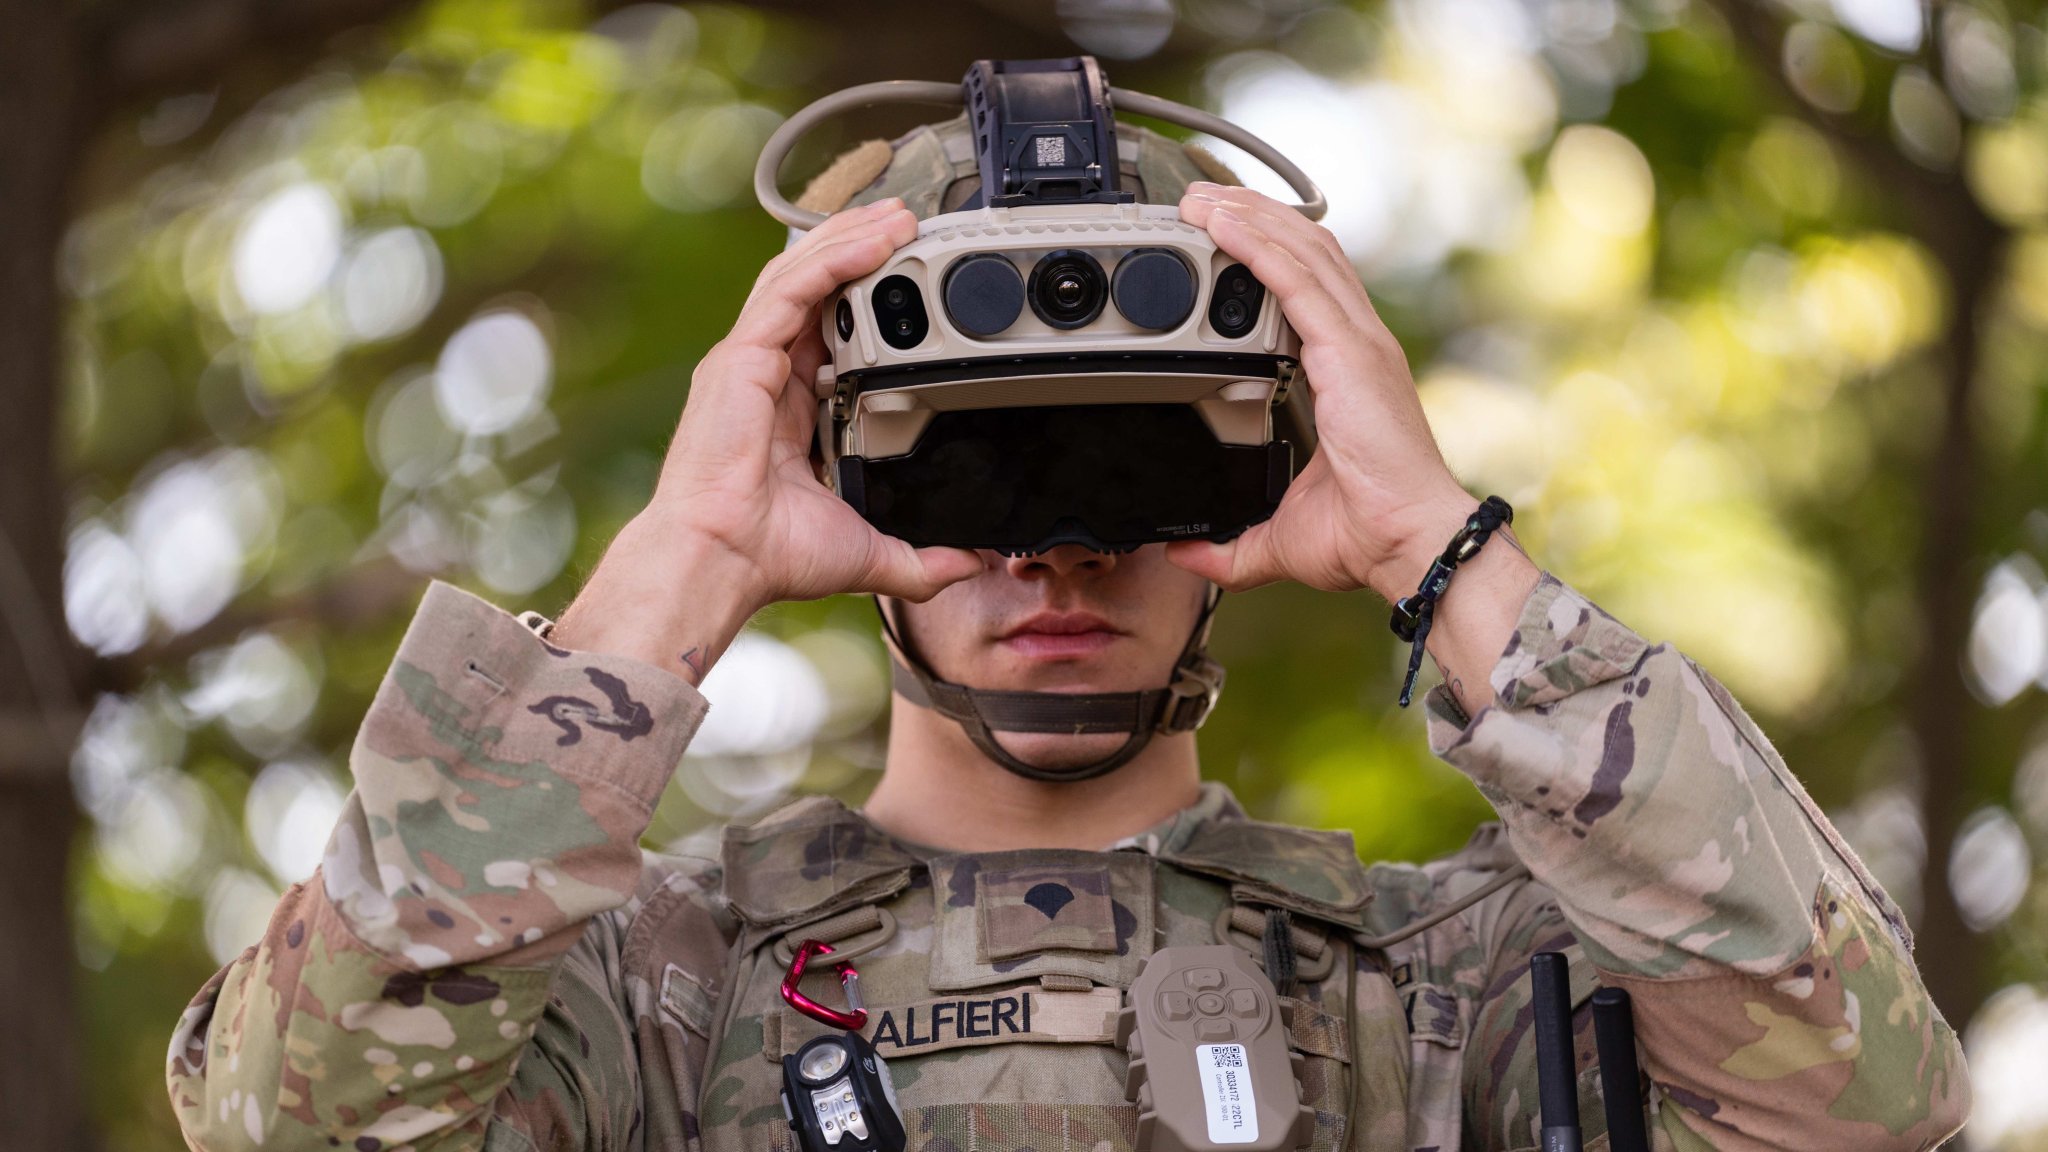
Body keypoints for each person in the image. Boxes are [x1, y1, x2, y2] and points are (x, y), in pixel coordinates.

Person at [165, 114, 1969, 1152]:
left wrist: (1438, 543)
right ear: (835, 479)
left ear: (1271, 466)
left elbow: (1874, 1108)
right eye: (976, 472)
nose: (1060, 551)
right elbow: (289, 1123)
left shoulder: (1454, 984)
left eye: (1132, 455)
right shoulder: (647, 990)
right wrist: (681, 561)